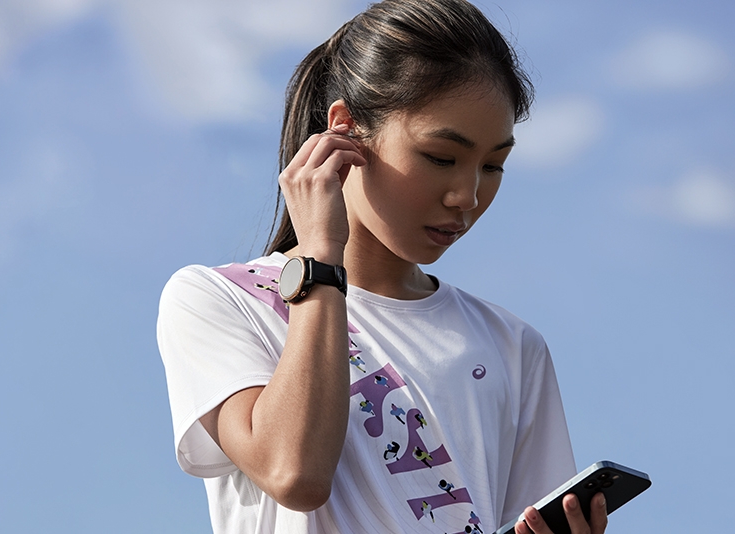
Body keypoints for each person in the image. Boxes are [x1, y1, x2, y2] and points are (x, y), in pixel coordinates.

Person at [156, 1, 609, 533]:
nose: (466, 195)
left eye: (493, 166)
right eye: (442, 157)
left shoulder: (513, 346)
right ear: (345, 130)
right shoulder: (223, 300)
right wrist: (320, 259)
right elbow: (294, 472)